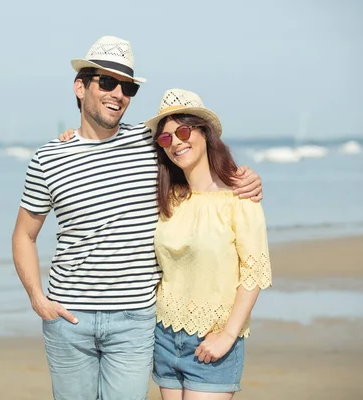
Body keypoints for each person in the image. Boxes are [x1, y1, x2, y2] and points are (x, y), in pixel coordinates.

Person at [12, 36, 263, 400]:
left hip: (136, 321)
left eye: (127, 86)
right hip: (68, 319)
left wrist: (247, 179)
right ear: (80, 87)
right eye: (108, 82)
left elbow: (197, 156)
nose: (118, 94)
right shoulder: (49, 158)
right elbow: (24, 235)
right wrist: (38, 299)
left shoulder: (153, 144)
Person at [143, 88, 272, 399]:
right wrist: (73, 136)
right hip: (164, 336)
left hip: (212, 341)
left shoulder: (239, 197)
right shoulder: (168, 198)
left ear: (204, 133)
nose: (175, 142)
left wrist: (227, 336)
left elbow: (253, 274)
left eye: (183, 130)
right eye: (166, 138)